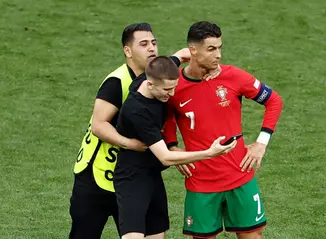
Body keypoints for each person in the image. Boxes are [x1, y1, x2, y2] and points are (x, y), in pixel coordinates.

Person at [69, 23, 191, 239]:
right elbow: (99, 126)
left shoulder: (157, 76)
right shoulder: (117, 83)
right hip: (98, 175)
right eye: (143, 44)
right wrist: (130, 144)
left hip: (138, 174)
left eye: (154, 43)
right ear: (127, 51)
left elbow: (176, 58)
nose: (152, 48)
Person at [162, 21, 283, 239]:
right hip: (201, 182)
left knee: (253, 235)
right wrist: (172, 146)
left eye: (219, 48)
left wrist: (261, 143)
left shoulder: (233, 76)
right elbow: (166, 117)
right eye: (211, 49)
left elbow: (274, 101)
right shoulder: (174, 85)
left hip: (240, 175)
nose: (218, 55)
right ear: (192, 50)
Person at [114, 56, 237, 239]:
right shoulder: (137, 111)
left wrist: (212, 67)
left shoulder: (158, 73)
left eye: (174, 87)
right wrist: (209, 153)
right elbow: (165, 157)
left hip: (153, 176)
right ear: (149, 85)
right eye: (166, 89)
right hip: (132, 178)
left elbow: (186, 53)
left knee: (157, 235)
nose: (171, 94)